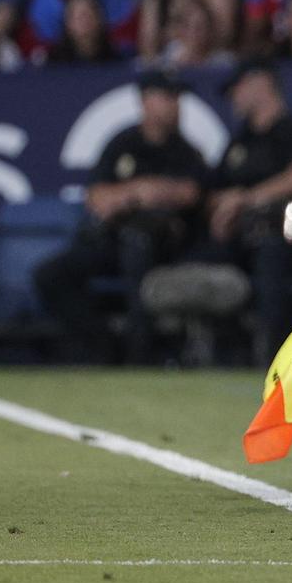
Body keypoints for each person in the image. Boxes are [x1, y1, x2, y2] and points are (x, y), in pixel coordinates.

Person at [33, 70, 207, 363]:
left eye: (177, 98)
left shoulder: (185, 151)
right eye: (168, 97)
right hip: (112, 238)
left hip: (165, 246)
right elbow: (96, 198)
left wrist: (130, 194)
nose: (175, 105)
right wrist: (143, 192)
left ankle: (140, 356)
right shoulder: (122, 144)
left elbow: (189, 193)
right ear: (146, 101)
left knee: (137, 248)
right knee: (50, 274)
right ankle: (100, 345)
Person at [201, 62, 292, 361]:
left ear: (260, 82)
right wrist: (222, 208)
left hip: (289, 233)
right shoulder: (240, 141)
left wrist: (246, 198)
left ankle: (272, 355)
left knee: (272, 256)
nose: (234, 98)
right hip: (238, 235)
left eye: (237, 89)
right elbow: (213, 190)